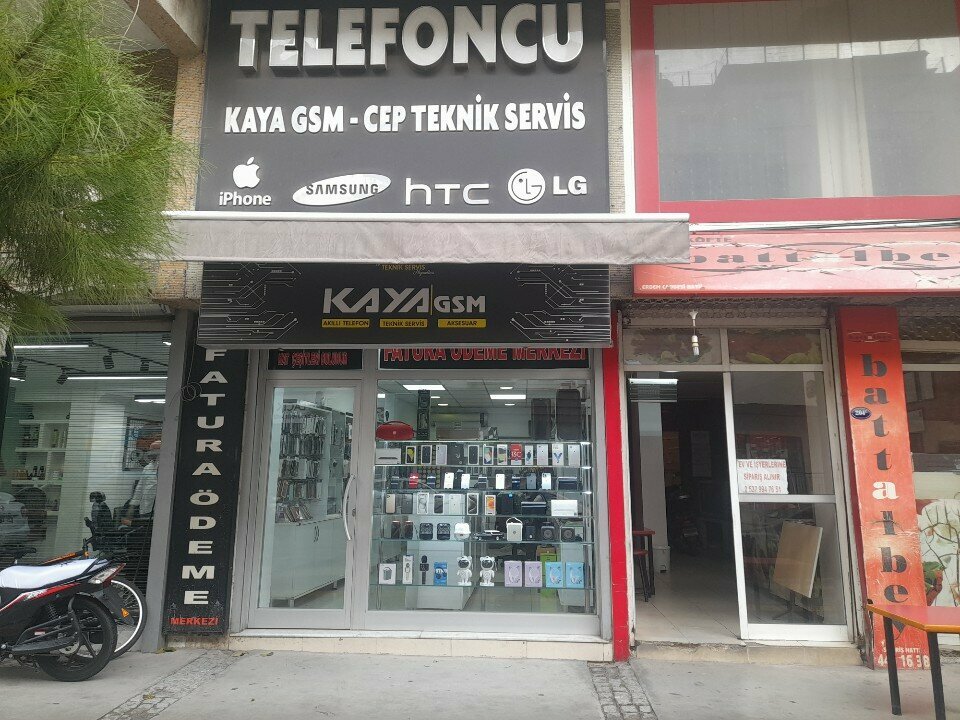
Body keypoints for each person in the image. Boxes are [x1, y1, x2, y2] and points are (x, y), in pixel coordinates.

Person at [123, 440, 159, 526]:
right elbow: (139, 489)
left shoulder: (166, 467)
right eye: (150, 450)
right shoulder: (147, 468)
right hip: (145, 509)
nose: (150, 452)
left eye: (153, 450)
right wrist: (132, 507)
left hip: (158, 509)